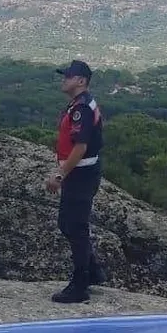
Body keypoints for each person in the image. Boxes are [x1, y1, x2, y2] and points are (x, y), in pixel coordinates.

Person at [45, 59, 105, 304]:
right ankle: (93, 272)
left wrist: (60, 174)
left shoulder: (83, 108)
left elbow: (80, 146)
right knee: (69, 224)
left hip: (81, 174)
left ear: (81, 81)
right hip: (81, 173)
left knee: (74, 227)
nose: (64, 80)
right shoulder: (78, 104)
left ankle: (80, 285)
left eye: (68, 76)